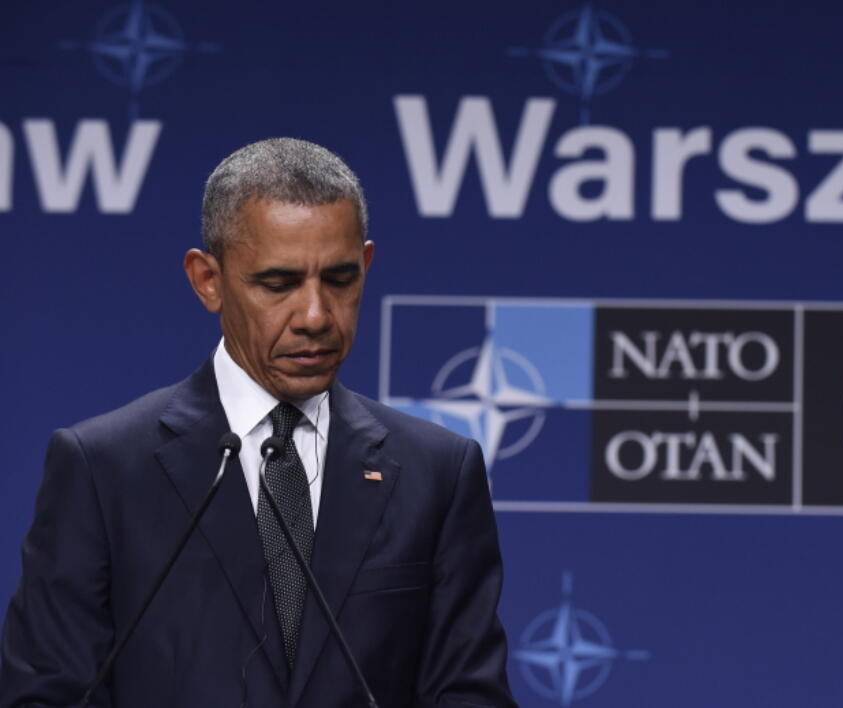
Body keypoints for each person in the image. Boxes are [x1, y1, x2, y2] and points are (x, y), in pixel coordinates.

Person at [0, 138, 517, 707]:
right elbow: (48, 693)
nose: (316, 316)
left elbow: (469, 694)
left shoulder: (437, 473)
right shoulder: (103, 467)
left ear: (366, 266)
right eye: (279, 284)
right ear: (208, 281)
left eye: (341, 280)